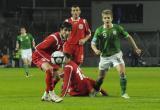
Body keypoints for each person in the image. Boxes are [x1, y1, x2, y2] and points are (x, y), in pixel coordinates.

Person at [91, 9, 141, 99]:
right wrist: (95, 50)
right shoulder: (99, 30)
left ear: (112, 18)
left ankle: (123, 93)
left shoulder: (117, 28)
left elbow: (129, 37)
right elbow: (93, 43)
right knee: (100, 78)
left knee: (122, 73)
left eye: (108, 18)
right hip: (104, 57)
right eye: (105, 18)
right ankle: (96, 90)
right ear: (102, 19)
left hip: (116, 55)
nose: (107, 20)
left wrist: (136, 48)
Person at [32, 22, 72, 103]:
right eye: (65, 30)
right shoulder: (54, 38)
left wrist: (61, 61)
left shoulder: (64, 39)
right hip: (38, 56)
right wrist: (50, 59)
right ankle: (52, 94)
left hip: (49, 58)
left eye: (69, 30)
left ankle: (46, 95)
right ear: (61, 30)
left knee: (57, 77)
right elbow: (38, 48)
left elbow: (58, 51)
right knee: (49, 69)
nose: (67, 32)